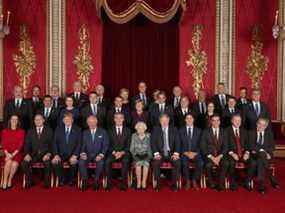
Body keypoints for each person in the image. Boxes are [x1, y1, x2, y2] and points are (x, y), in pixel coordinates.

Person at [247, 118, 279, 194]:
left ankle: (261, 185)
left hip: (264, 157)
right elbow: (251, 146)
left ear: (266, 126)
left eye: (263, 125)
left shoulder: (269, 134)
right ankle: (271, 177)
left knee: (260, 161)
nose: (261, 126)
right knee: (261, 154)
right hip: (254, 155)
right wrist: (263, 151)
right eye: (259, 124)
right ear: (256, 124)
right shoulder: (251, 133)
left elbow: (272, 146)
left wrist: (269, 153)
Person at [21, 114, 53, 188]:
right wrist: (27, 154)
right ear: (34, 121)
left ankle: (46, 182)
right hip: (33, 154)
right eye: (36, 119)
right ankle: (30, 181)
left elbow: (52, 145)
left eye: (39, 119)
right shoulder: (30, 131)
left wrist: (49, 154)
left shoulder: (49, 130)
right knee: (24, 163)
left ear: (43, 120)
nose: (38, 121)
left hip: (45, 154)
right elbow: (26, 145)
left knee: (48, 163)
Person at [151, 114, 180, 192]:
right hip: (160, 153)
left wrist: (176, 154)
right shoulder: (156, 129)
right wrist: (156, 154)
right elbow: (153, 143)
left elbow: (178, 142)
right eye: (162, 120)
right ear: (160, 121)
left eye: (166, 120)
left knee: (177, 163)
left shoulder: (174, 129)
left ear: (169, 120)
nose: (164, 122)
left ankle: (174, 185)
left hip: (171, 153)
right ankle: (158, 184)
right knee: (155, 163)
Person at [79, 115, 109, 191]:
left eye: (93, 122)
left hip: (98, 155)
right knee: (81, 162)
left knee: (101, 163)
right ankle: (85, 181)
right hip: (87, 155)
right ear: (87, 123)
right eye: (89, 122)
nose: (91, 124)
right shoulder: (84, 132)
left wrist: (101, 155)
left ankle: (96, 181)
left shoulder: (103, 131)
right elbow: (82, 145)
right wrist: (82, 153)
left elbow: (105, 145)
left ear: (96, 122)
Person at [52, 112, 81, 186]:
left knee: (74, 164)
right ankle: (61, 180)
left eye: (69, 119)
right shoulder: (58, 129)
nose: (67, 121)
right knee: (56, 162)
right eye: (66, 119)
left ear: (72, 120)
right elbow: (54, 143)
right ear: (63, 120)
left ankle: (70, 180)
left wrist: (75, 155)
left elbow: (79, 144)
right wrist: (56, 155)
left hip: (72, 154)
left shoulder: (78, 129)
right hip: (61, 154)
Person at [200, 114, 228, 191]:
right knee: (208, 165)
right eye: (214, 120)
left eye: (217, 120)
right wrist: (212, 157)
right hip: (209, 156)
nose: (216, 122)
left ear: (220, 122)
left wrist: (219, 157)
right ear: (211, 122)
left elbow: (226, 146)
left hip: (220, 156)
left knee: (226, 163)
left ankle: (220, 183)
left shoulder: (224, 131)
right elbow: (203, 146)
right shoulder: (205, 131)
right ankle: (211, 183)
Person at [105, 112, 131, 191]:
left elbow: (129, 145)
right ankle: (109, 184)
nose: (119, 120)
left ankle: (123, 184)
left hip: (124, 153)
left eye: (120, 118)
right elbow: (107, 144)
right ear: (114, 119)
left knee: (126, 161)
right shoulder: (109, 130)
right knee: (107, 161)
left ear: (123, 119)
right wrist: (114, 152)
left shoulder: (128, 130)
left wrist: (122, 153)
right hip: (113, 153)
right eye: (117, 118)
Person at [179, 113, 203, 190]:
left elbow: (201, 144)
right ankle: (188, 181)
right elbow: (178, 143)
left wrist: (195, 153)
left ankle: (194, 180)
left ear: (193, 120)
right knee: (184, 163)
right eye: (187, 118)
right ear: (185, 120)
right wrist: (185, 152)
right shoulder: (180, 130)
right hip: (184, 153)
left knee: (200, 163)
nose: (189, 120)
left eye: (191, 118)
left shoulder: (199, 130)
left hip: (196, 153)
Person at [225, 114, 249, 191]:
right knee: (231, 163)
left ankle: (247, 181)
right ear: (232, 121)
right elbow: (225, 144)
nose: (237, 122)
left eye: (239, 120)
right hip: (231, 153)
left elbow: (248, 144)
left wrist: (247, 153)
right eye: (235, 120)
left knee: (253, 162)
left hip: (243, 153)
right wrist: (232, 153)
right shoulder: (226, 131)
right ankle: (232, 183)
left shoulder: (244, 131)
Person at [1, 115, 25, 190]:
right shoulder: (4, 131)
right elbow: (3, 143)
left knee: (14, 164)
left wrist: (12, 154)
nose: (14, 121)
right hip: (7, 153)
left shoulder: (21, 131)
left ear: (18, 121)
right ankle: (5, 180)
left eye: (16, 119)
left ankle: (10, 179)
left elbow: (20, 145)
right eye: (12, 119)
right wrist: (7, 154)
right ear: (10, 120)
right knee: (8, 162)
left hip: (17, 153)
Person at [130, 122, 152, 190]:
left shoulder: (149, 135)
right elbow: (131, 148)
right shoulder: (134, 136)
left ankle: (144, 183)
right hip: (137, 155)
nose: (140, 130)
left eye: (142, 128)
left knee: (146, 164)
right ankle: (138, 183)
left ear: (145, 129)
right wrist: (135, 155)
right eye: (139, 129)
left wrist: (148, 155)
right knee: (138, 164)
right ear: (136, 129)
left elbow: (150, 147)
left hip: (146, 155)